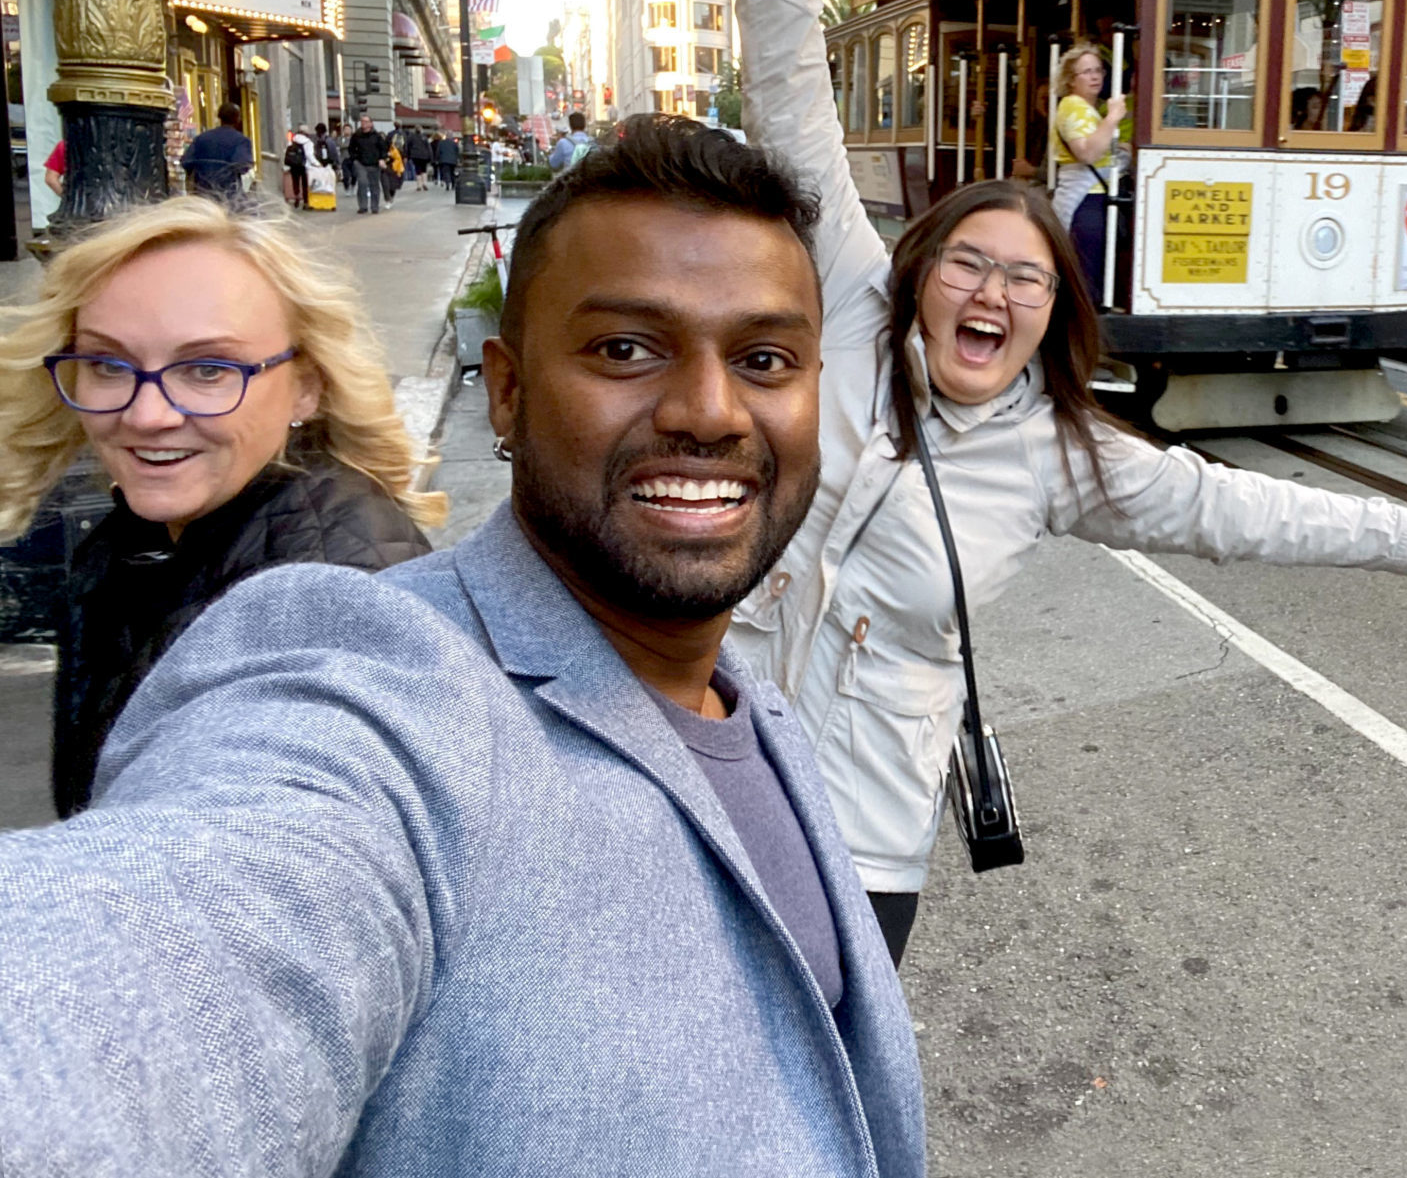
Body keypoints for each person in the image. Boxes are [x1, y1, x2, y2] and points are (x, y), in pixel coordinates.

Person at [0, 119, 924, 1176]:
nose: (710, 411)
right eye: (625, 348)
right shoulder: (377, 675)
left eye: (764, 358)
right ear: (507, 389)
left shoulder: (743, 702)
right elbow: (166, 962)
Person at [730, 0, 1407, 965]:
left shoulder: (1059, 454)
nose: (992, 295)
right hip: (720, 761)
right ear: (918, 271)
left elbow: (1228, 508)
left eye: (1026, 282)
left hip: (863, 831)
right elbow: (792, 109)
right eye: (970, 265)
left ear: (1054, 317)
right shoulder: (849, 298)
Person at [0, 196, 441, 817]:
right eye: (107, 363)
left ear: (307, 386)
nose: (147, 414)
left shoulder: (325, 611)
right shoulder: (157, 541)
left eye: (208, 370)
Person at [1049, 43, 1129, 296]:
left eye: (1098, 70)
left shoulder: (1087, 109)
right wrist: (1113, 118)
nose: (1095, 76)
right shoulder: (1073, 105)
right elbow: (1087, 153)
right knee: (1086, 276)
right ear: (1071, 80)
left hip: (1093, 197)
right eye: (1086, 72)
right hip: (1085, 201)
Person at [180, 102, 255, 208]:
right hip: (229, 196)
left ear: (220, 117)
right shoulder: (241, 141)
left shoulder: (202, 138)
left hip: (203, 194)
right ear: (238, 119)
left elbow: (186, 162)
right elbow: (242, 165)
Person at [345, 114, 388, 214]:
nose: (363, 123)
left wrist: (382, 159)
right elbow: (351, 149)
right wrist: (355, 159)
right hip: (361, 164)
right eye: (362, 121)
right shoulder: (357, 136)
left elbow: (383, 149)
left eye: (366, 121)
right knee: (362, 183)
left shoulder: (377, 136)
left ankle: (374, 206)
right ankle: (363, 206)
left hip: (374, 164)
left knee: (374, 185)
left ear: (371, 124)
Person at [282, 128, 311, 209]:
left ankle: (297, 196)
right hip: (303, 165)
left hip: (293, 165)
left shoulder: (292, 143)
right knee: (304, 183)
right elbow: (309, 155)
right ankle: (305, 201)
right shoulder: (306, 143)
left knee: (295, 182)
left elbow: (287, 154)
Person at [405, 126, 433, 190]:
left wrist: (407, 155)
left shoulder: (411, 137)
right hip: (424, 156)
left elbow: (408, 146)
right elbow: (428, 147)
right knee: (424, 170)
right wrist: (431, 157)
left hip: (415, 156)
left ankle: (419, 185)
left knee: (417, 170)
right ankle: (424, 183)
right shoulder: (424, 137)